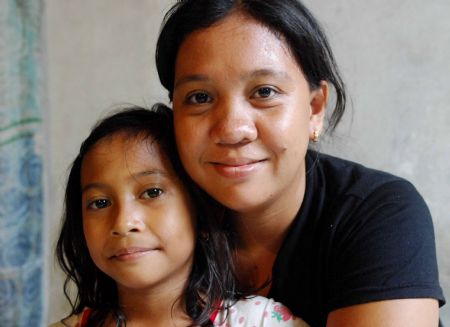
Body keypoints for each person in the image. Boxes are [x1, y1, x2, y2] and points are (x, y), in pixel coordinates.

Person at [155, 1, 446, 326]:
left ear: (315, 108)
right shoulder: (145, 215)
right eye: (199, 97)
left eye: (264, 92)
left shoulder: (379, 212)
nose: (232, 130)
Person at [51, 105, 309, 327]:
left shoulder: (260, 322)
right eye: (100, 202)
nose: (123, 223)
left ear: (201, 209)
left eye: (151, 192)